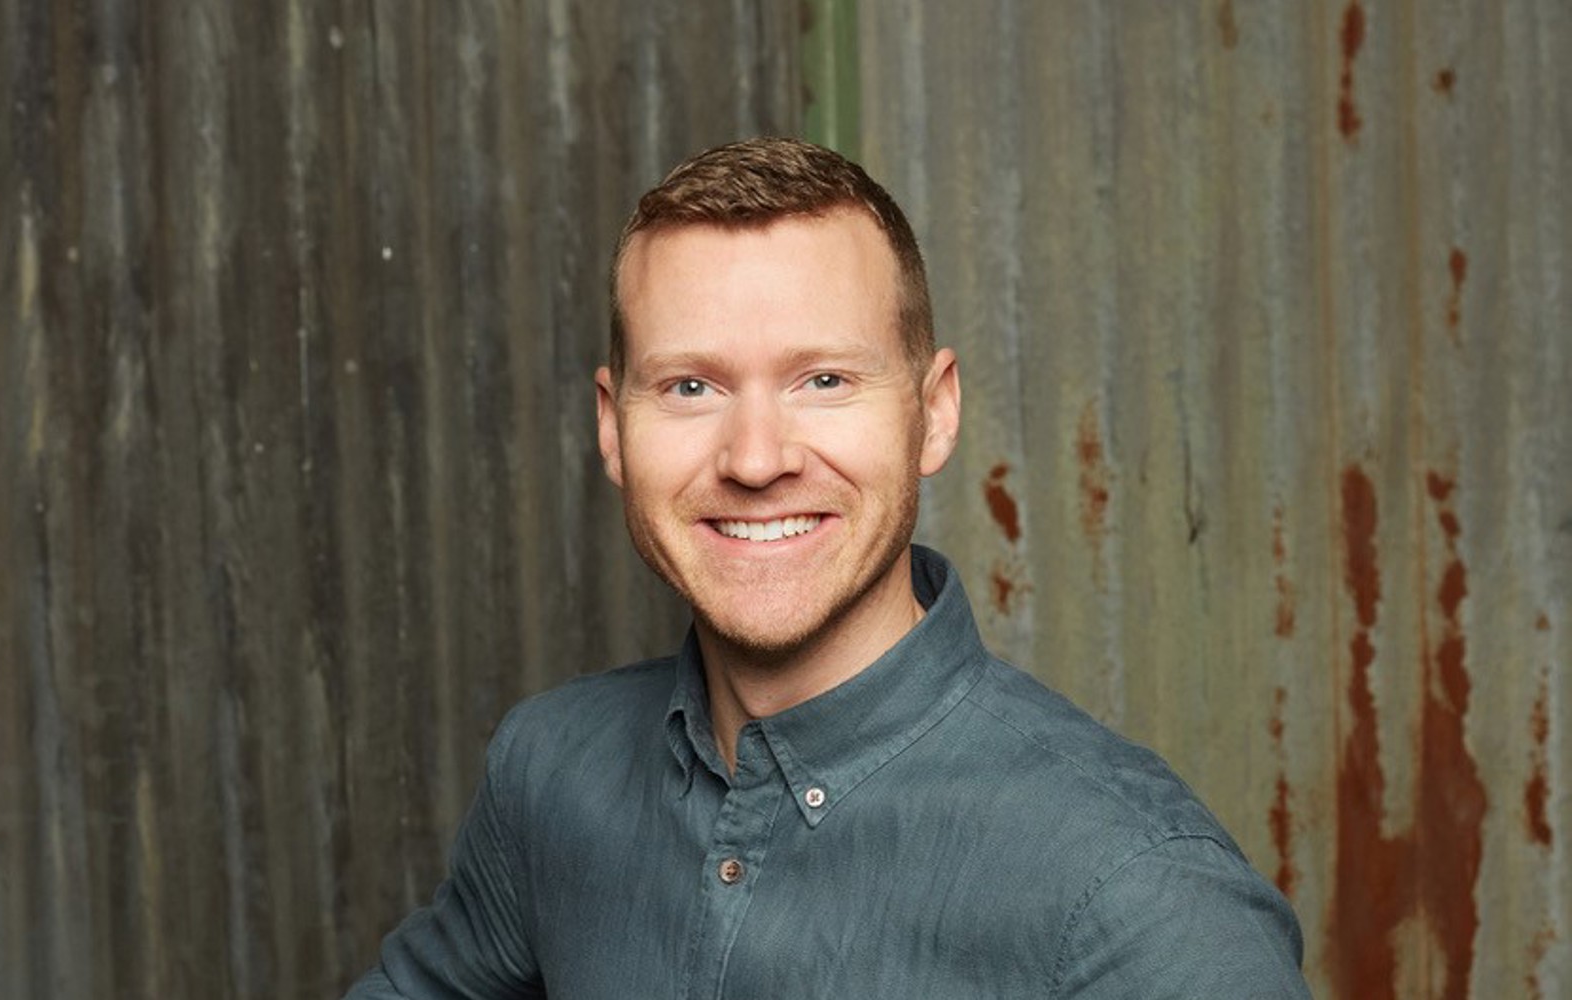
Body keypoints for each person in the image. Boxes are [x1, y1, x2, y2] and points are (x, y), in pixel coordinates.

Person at [347, 137, 1310, 999]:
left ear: (933, 413)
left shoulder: (1138, 896)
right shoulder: (549, 773)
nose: (757, 458)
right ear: (613, 427)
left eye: (824, 381)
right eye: (691, 386)